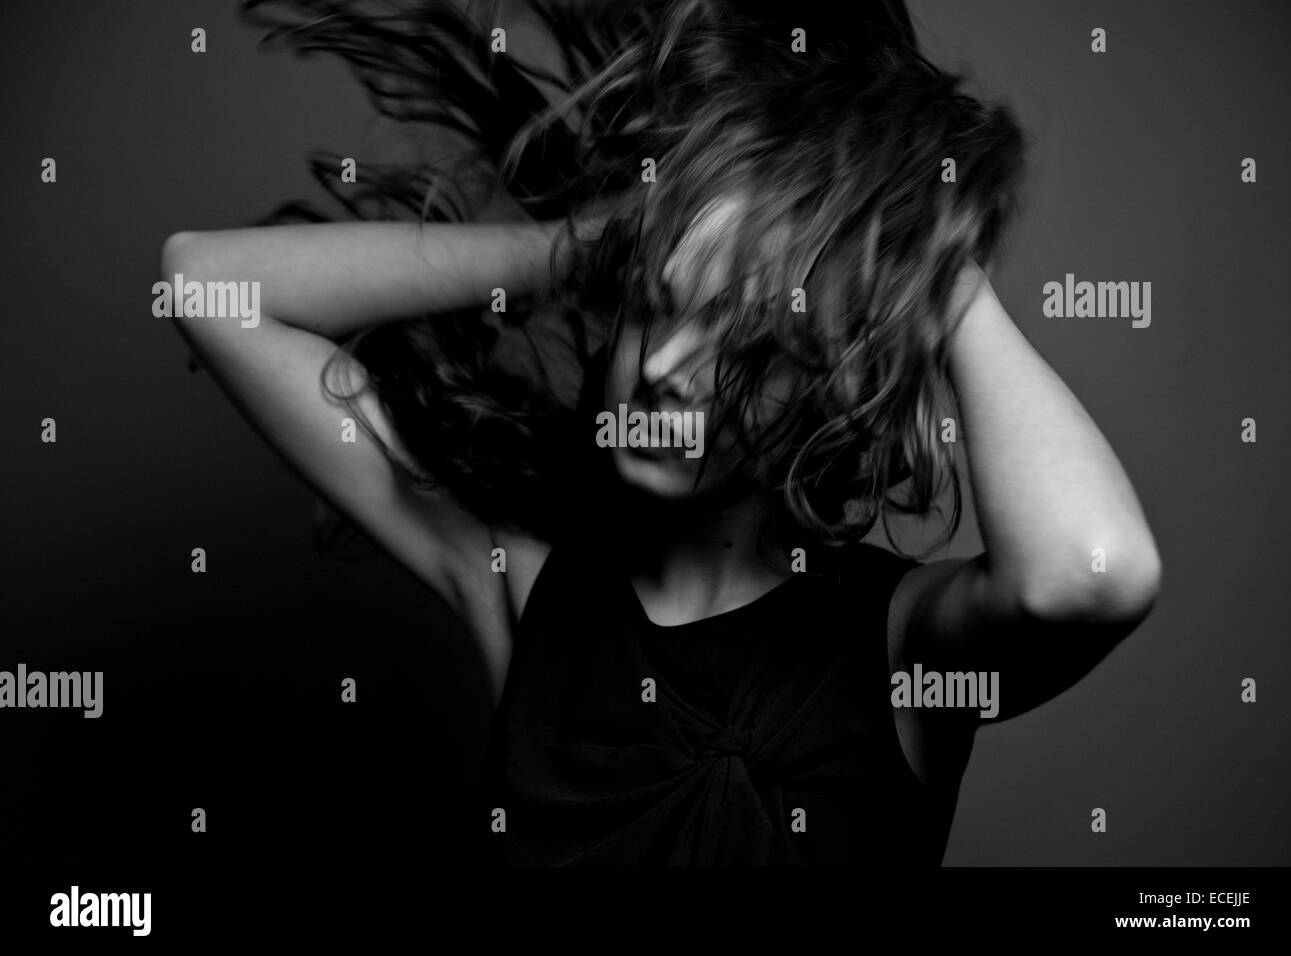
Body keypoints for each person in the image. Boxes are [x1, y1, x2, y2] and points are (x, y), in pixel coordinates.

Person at [161, 0, 1162, 864]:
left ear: (827, 388)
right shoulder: (522, 579)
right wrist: (585, 243)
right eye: (656, 303)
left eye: (748, 342)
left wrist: (912, 248)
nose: (668, 364)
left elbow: (1094, 569)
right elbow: (205, 283)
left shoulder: (901, 649)